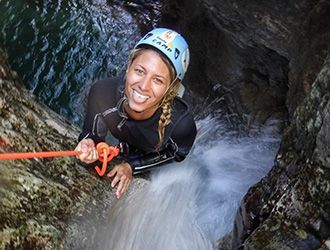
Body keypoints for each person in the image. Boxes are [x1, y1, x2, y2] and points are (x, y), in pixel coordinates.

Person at [75, 27, 197, 199]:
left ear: (171, 88)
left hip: (151, 149)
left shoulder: (181, 124)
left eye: (158, 80)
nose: (143, 86)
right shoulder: (102, 93)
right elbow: (93, 134)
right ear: (128, 67)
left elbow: (176, 153)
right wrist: (89, 143)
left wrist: (132, 166)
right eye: (140, 71)